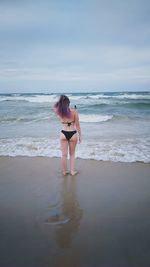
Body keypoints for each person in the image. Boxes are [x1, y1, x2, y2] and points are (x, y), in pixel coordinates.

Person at [54, 95, 81, 176]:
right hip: (73, 133)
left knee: (64, 155)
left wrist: (61, 101)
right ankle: (72, 171)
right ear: (69, 103)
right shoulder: (74, 111)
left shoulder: (58, 111)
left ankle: (65, 171)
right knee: (72, 154)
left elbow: (55, 106)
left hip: (63, 133)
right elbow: (78, 125)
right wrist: (80, 136)